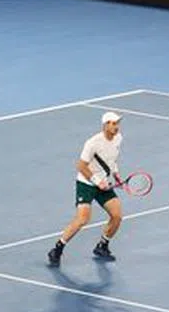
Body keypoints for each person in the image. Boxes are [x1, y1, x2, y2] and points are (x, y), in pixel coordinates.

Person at [47, 112, 124, 266]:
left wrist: (115, 174)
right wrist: (96, 181)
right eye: (113, 123)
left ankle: (102, 246)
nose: (116, 127)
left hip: (103, 183)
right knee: (83, 218)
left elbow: (111, 159)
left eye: (117, 123)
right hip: (86, 184)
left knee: (117, 216)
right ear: (105, 125)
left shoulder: (118, 138)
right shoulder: (93, 143)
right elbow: (81, 166)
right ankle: (57, 249)